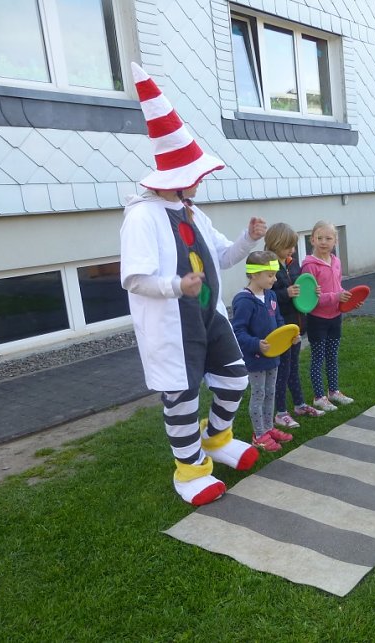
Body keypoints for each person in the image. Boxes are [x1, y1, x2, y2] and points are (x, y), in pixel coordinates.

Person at [120, 62, 264, 506]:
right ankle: (189, 469)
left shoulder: (192, 212)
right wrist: (175, 286)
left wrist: (248, 239)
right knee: (181, 397)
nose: (200, 182)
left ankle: (217, 442)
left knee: (235, 380)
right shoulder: (142, 216)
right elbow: (134, 278)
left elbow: (222, 256)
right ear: (177, 177)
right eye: (195, 175)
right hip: (174, 323)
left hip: (209, 315)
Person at [231, 250, 298, 452]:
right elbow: (238, 331)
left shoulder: (270, 295)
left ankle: (268, 428)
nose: (274, 279)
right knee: (259, 395)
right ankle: (258, 435)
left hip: (273, 357)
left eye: (275, 274)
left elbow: (278, 322)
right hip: (256, 359)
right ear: (253, 275)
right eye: (270, 275)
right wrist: (256, 344)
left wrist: (289, 338)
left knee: (271, 393)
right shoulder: (243, 300)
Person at [263, 223, 325, 429]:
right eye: (289, 245)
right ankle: (280, 412)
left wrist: (311, 292)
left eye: (293, 246)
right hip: (280, 329)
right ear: (276, 244)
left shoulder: (292, 264)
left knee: (293, 368)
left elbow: (301, 288)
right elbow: (266, 296)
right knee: (282, 371)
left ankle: (299, 404)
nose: (292, 250)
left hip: (296, 327)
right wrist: (285, 294)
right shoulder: (269, 266)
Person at [300, 221, 354, 412]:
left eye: (328, 238)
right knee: (318, 358)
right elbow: (310, 300)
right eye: (319, 238)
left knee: (332, 356)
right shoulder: (309, 266)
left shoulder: (336, 262)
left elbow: (337, 287)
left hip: (335, 316)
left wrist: (348, 298)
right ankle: (319, 397)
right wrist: (335, 297)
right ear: (312, 239)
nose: (324, 242)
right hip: (317, 319)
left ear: (335, 241)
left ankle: (333, 392)